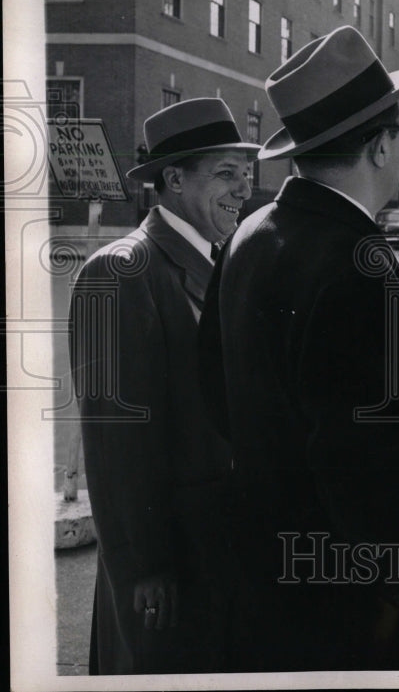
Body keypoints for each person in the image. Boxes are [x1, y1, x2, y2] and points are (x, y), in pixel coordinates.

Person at [198, 26, 399, 672]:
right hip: (355, 609)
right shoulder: (362, 264)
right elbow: (375, 466)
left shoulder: (251, 234)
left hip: (266, 576)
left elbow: (216, 393)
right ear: (380, 145)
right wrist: (394, 598)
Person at [70, 97, 258, 674]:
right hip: (166, 570)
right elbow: (115, 443)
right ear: (173, 180)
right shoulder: (122, 271)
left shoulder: (220, 259)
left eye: (246, 174)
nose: (243, 190)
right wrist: (146, 567)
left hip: (215, 555)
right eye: (226, 173)